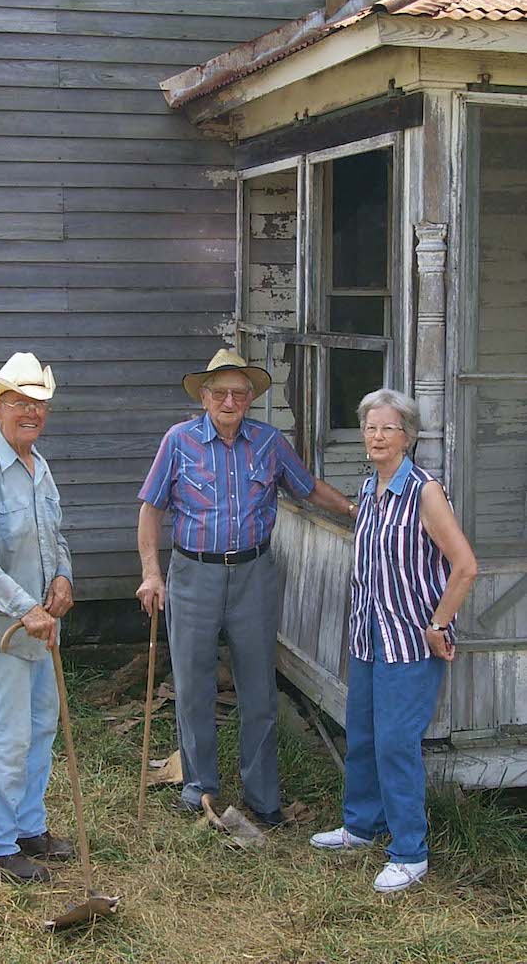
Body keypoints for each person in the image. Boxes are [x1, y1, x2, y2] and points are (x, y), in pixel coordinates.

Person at [136, 348, 356, 825]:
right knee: (193, 683)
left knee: (258, 686)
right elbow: (151, 509)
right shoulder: (178, 441)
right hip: (193, 574)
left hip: (255, 573)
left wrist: (355, 511)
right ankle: (200, 787)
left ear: (251, 397)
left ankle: (262, 796)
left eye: (239, 393)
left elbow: (308, 487)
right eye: (220, 393)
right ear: (205, 397)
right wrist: (152, 573)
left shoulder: (269, 442)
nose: (229, 401)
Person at [311, 389, 477, 893]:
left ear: (408, 437)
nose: (377, 436)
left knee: (395, 744)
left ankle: (410, 851)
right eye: (370, 427)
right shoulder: (371, 490)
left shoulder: (426, 492)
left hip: (411, 644)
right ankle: (362, 825)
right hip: (367, 636)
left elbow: (465, 566)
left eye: (388, 428)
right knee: (361, 733)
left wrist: (439, 624)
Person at [0, 352, 75, 883]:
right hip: (6, 631)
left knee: (41, 726)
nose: (33, 412)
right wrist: (23, 606)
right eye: (22, 403)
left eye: (40, 403)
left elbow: (56, 538)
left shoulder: (39, 466)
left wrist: (63, 578)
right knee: (10, 735)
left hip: (43, 627)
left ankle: (28, 826)